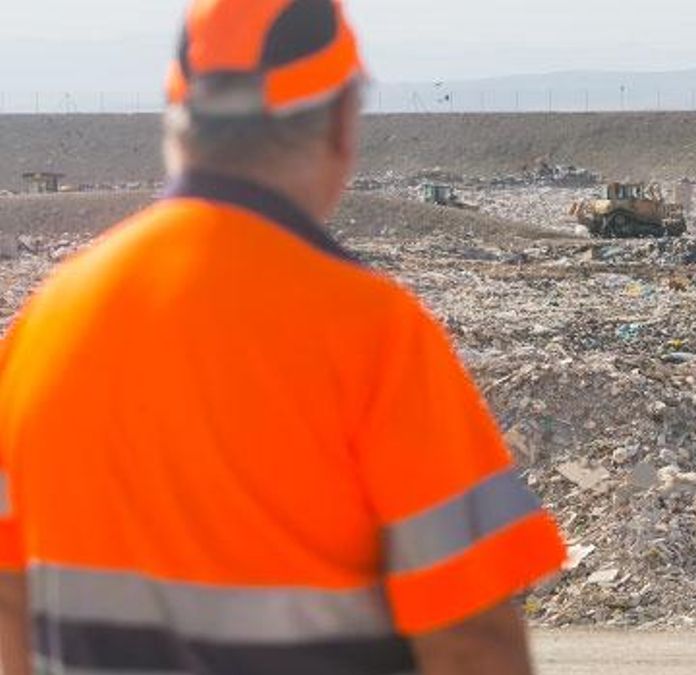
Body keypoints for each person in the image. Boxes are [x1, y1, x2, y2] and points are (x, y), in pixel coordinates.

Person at [0, 1, 566, 673]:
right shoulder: (373, 333)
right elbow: (471, 642)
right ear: (340, 124)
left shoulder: (44, 324)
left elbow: (11, 608)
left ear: (179, 125)